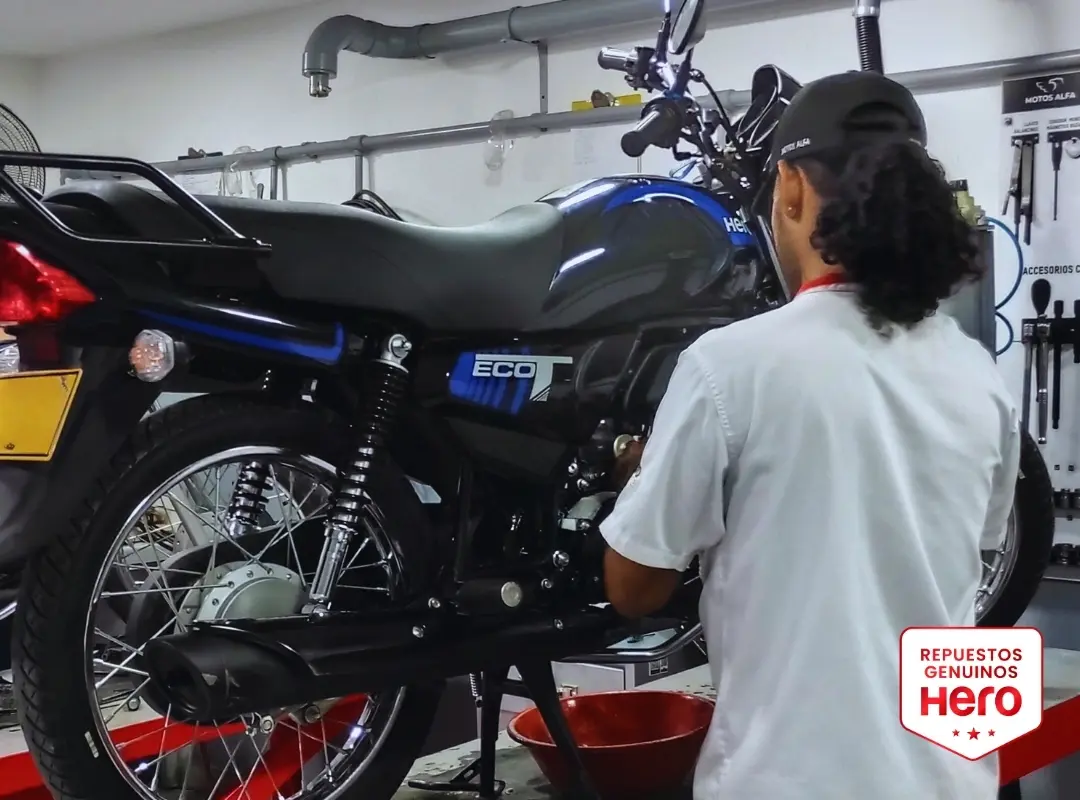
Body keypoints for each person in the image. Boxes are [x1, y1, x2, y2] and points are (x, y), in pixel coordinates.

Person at [599, 71, 1017, 800]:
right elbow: (953, 561)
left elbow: (634, 587)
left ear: (790, 188)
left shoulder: (730, 366)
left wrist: (642, 480)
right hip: (947, 781)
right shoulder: (979, 375)